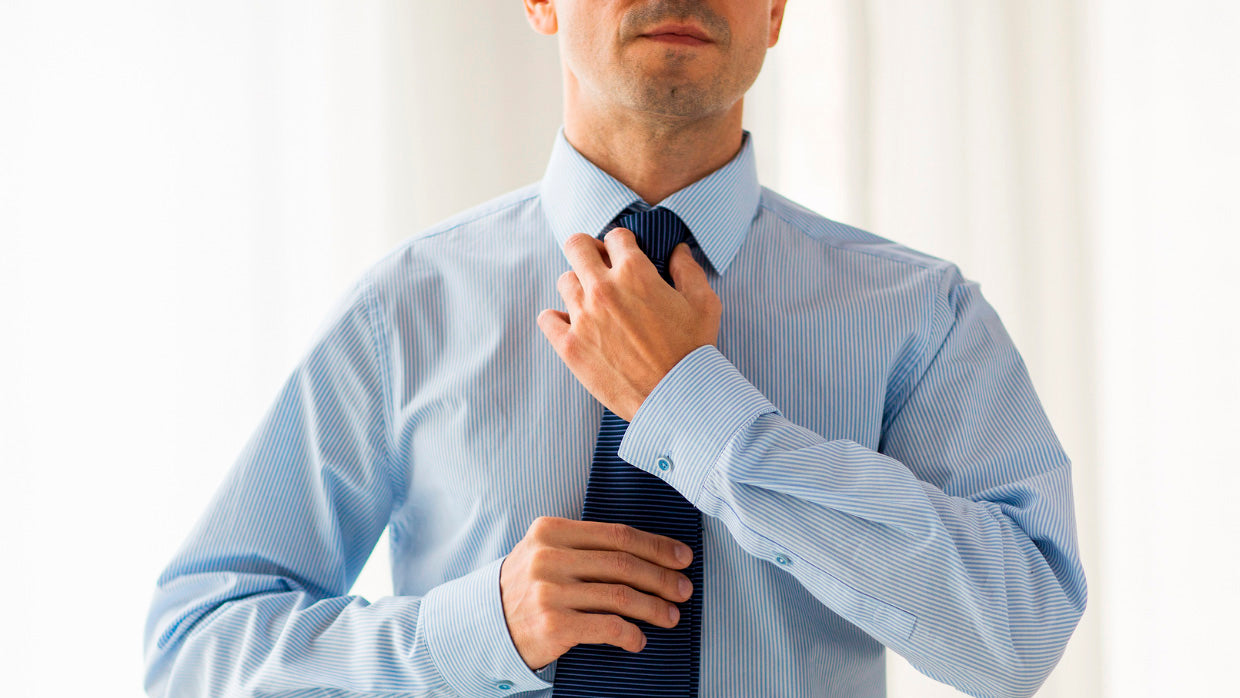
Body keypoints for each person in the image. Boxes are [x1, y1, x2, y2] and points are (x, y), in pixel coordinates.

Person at [143, 1, 1088, 696]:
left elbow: (1020, 631)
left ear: (776, 11)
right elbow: (193, 650)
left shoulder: (920, 316)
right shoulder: (406, 310)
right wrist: (482, 628)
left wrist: (698, 410)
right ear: (540, 3)